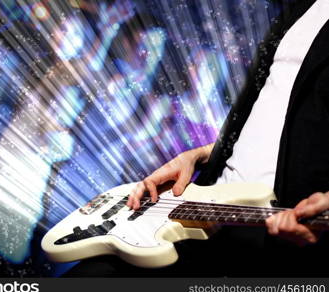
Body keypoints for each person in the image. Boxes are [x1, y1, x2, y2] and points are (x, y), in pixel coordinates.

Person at [65, 0, 329, 276]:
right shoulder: (301, 8)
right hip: (205, 208)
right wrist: (199, 155)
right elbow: (274, 128)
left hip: (270, 239)